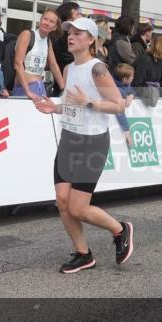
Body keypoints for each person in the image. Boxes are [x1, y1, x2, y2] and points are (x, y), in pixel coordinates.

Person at [33, 17, 133, 273]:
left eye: (78, 33)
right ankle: (83, 253)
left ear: (90, 39)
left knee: (78, 207)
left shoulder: (97, 69)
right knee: (62, 201)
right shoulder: (68, 69)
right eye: (69, 32)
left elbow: (118, 105)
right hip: (70, 138)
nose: (71, 36)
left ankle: (119, 230)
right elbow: (72, 105)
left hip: (93, 142)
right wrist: (54, 107)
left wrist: (89, 102)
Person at [13, 9, 65, 100]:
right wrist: (28, 91)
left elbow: (54, 66)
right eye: (45, 19)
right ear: (40, 20)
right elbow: (18, 63)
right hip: (24, 88)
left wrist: (64, 89)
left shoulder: (48, 41)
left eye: (51, 21)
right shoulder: (27, 35)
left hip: (40, 87)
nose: (47, 23)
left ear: (55, 27)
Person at [51, 1, 81, 77]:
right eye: (78, 14)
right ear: (69, 18)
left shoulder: (59, 35)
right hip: (68, 81)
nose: (81, 17)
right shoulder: (62, 37)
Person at [112, 63, 136, 144]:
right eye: (132, 76)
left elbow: (130, 89)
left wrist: (131, 95)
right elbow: (120, 112)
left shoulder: (125, 84)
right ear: (125, 79)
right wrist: (127, 132)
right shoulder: (115, 90)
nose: (133, 78)